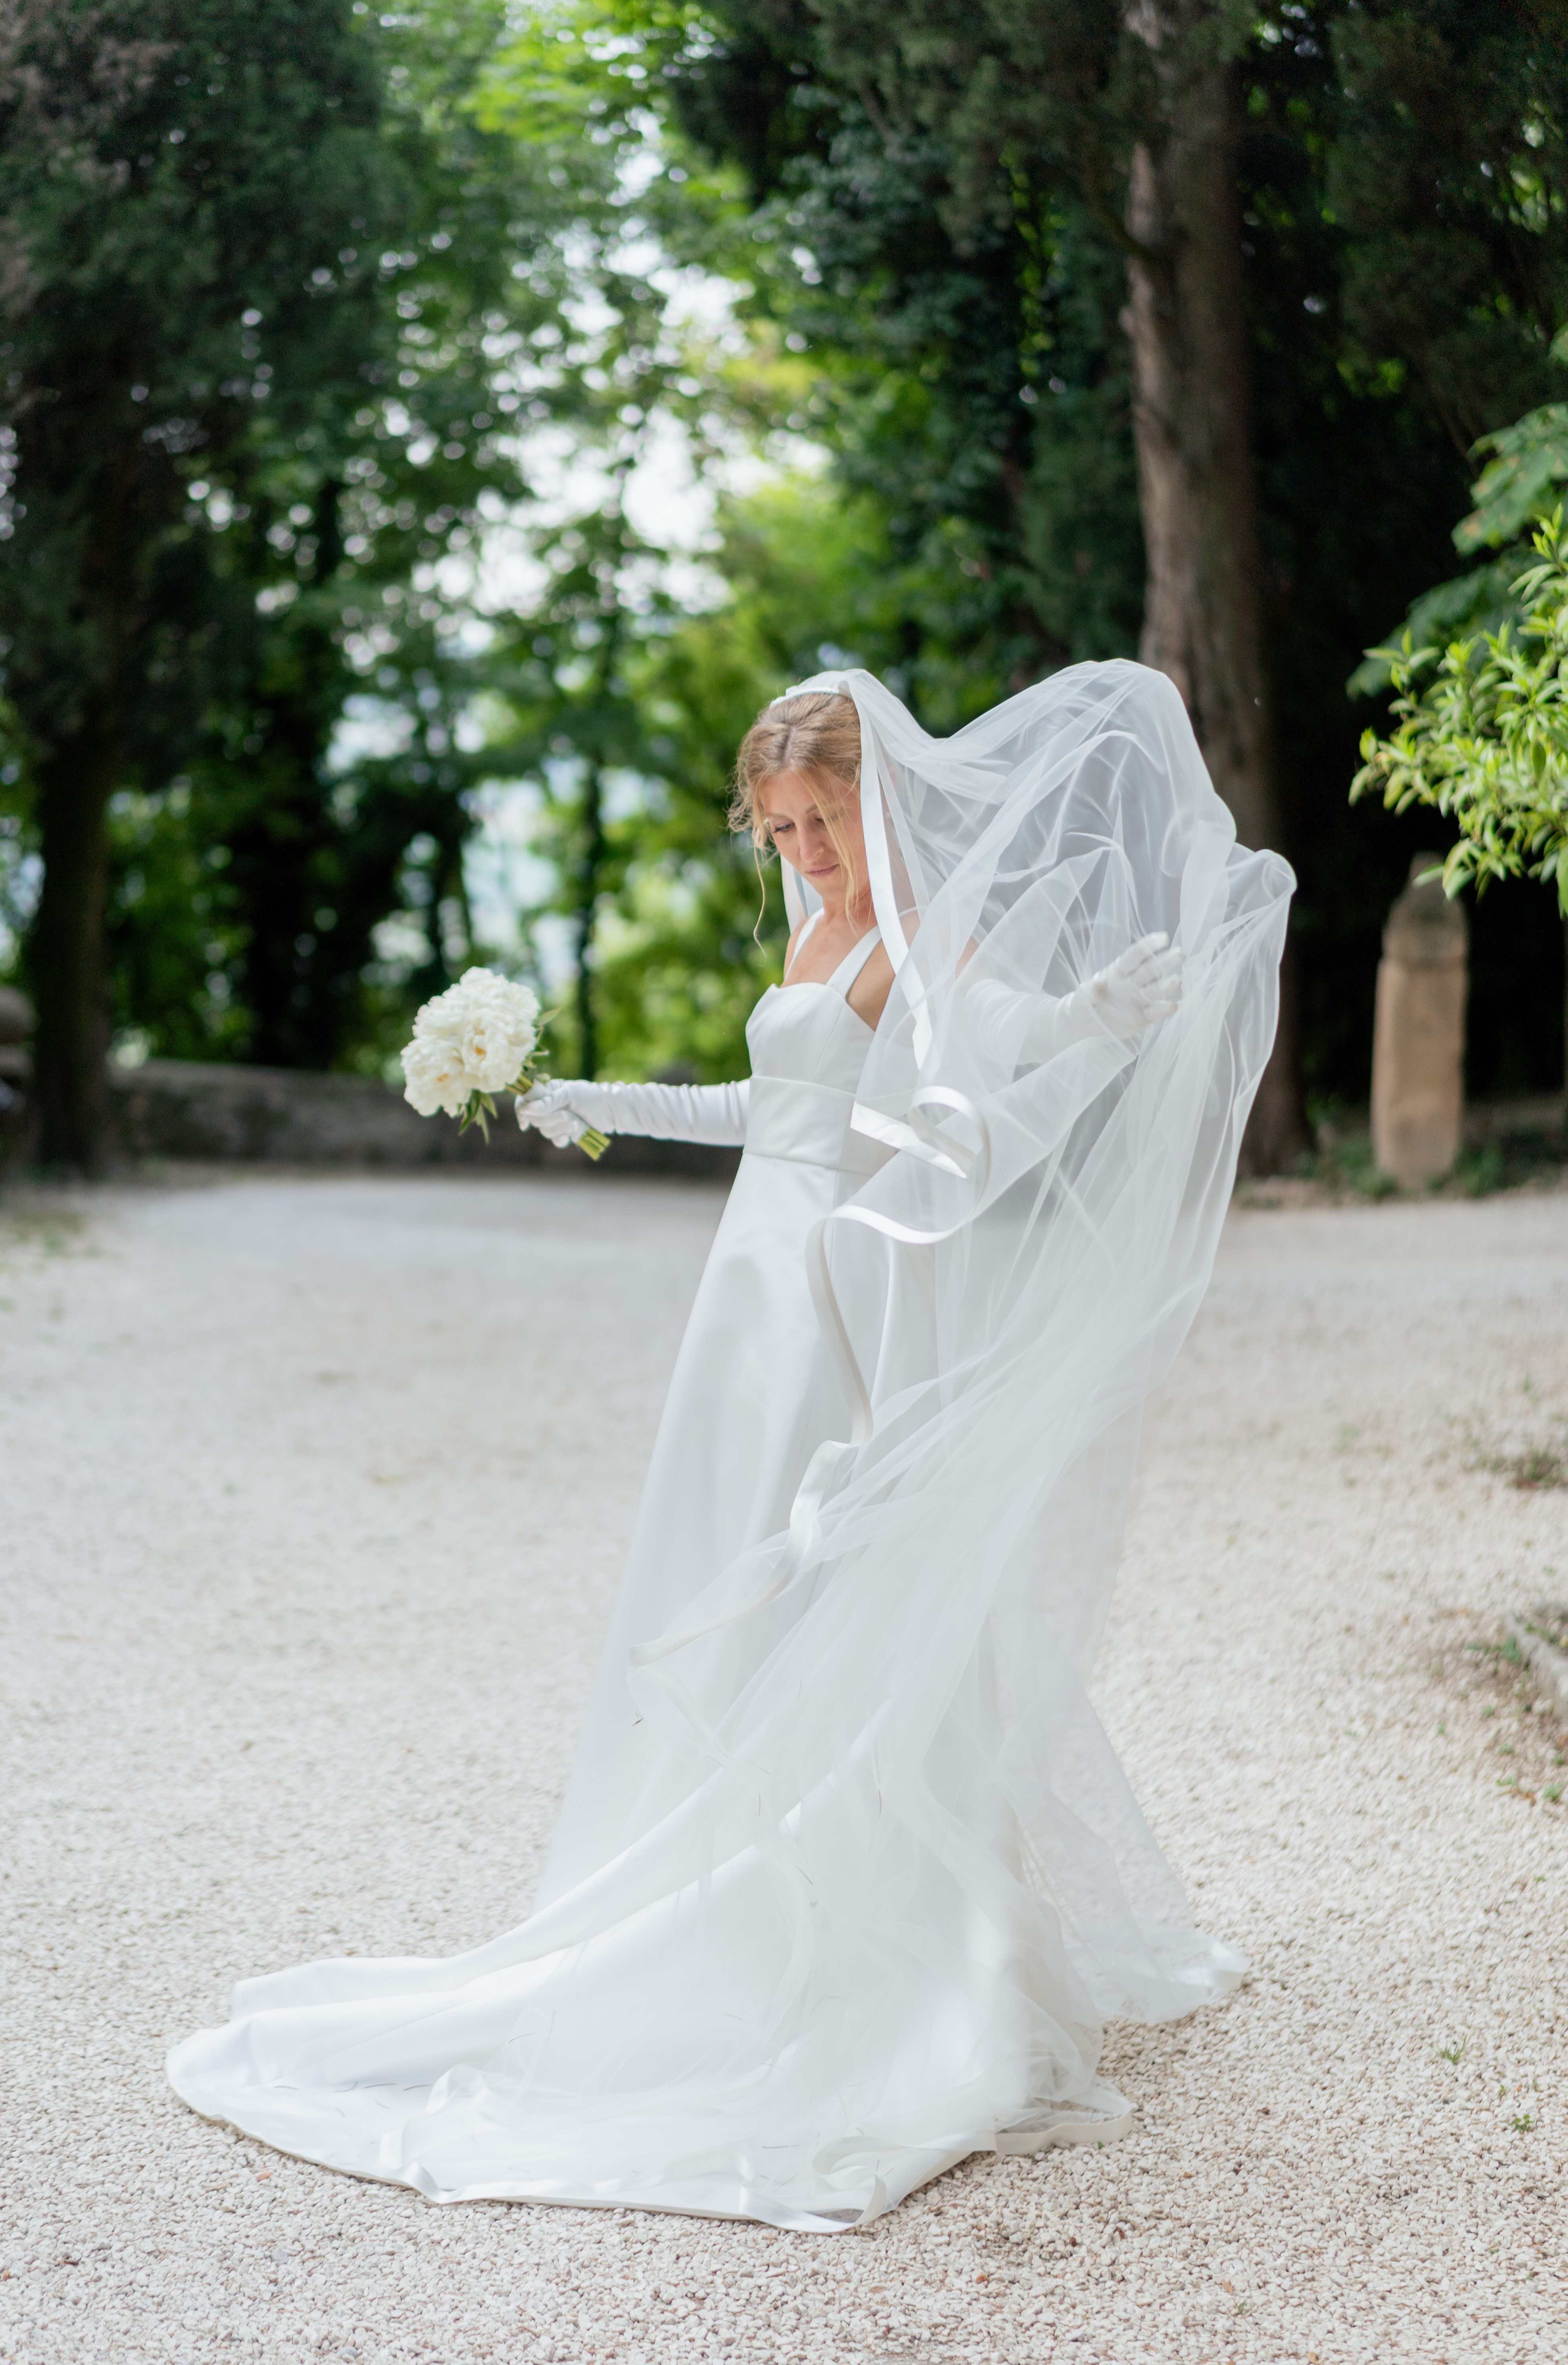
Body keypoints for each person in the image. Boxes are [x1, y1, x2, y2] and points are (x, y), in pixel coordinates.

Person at [169, 663, 1293, 2232]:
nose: (805, 853)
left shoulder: (927, 939)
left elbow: (1006, 1048)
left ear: (876, 802)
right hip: (742, 1306)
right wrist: (588, 1100)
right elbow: (769, 1110)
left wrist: (1098, 1023)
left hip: (827, 1306)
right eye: (780, 830)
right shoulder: (812, 931)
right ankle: (689, 1862)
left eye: (823, 821)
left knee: (819, 1585)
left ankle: (840, 1924)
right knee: (715, 1569)